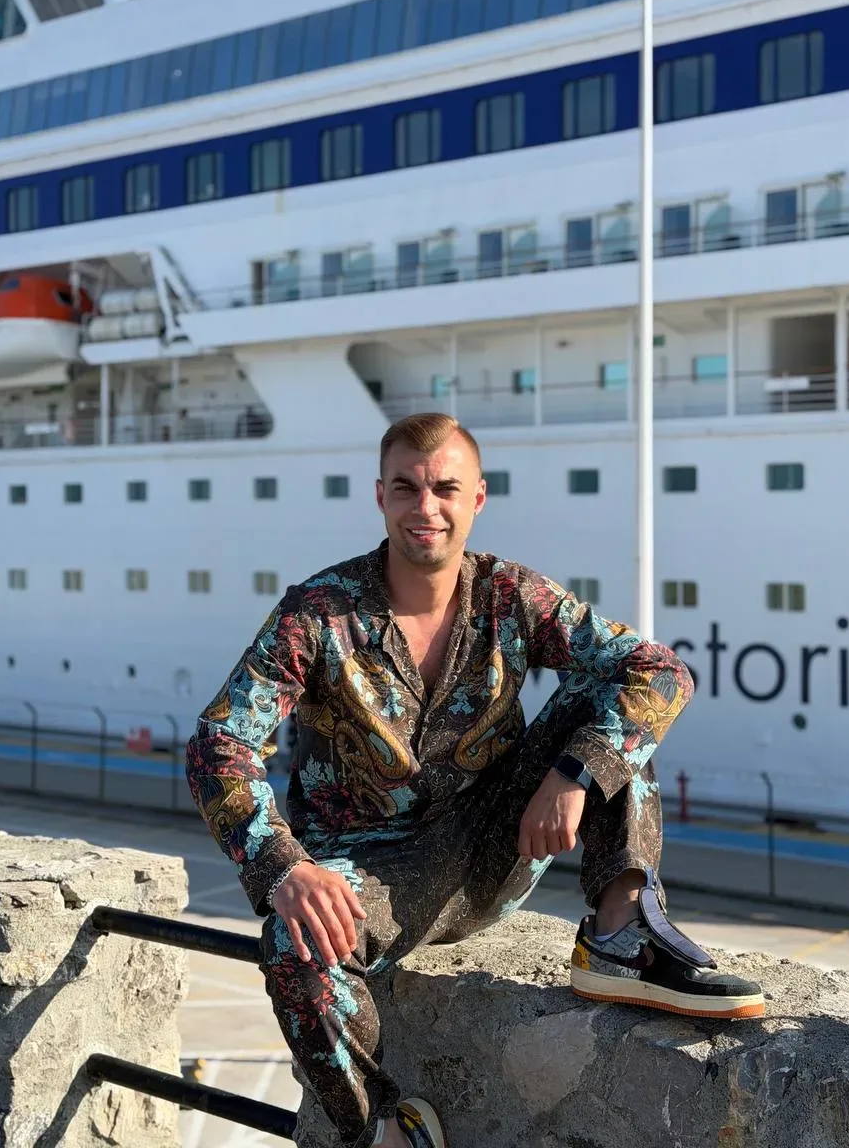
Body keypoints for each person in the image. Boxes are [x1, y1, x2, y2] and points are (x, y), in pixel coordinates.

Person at [186, 413, 764, 1148]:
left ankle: (622, 934)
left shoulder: (510, 595)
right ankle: (382, 1131)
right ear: (381, 497)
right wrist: (282, 866)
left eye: (445, 489)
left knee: (610, 696)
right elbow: (220, 742)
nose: (425, 508)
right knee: (291, 947)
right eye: (406, 488)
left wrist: (573, 775)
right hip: (370, 877)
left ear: (478, 498)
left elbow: (660, 670)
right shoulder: (320, 614)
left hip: (496, 844)